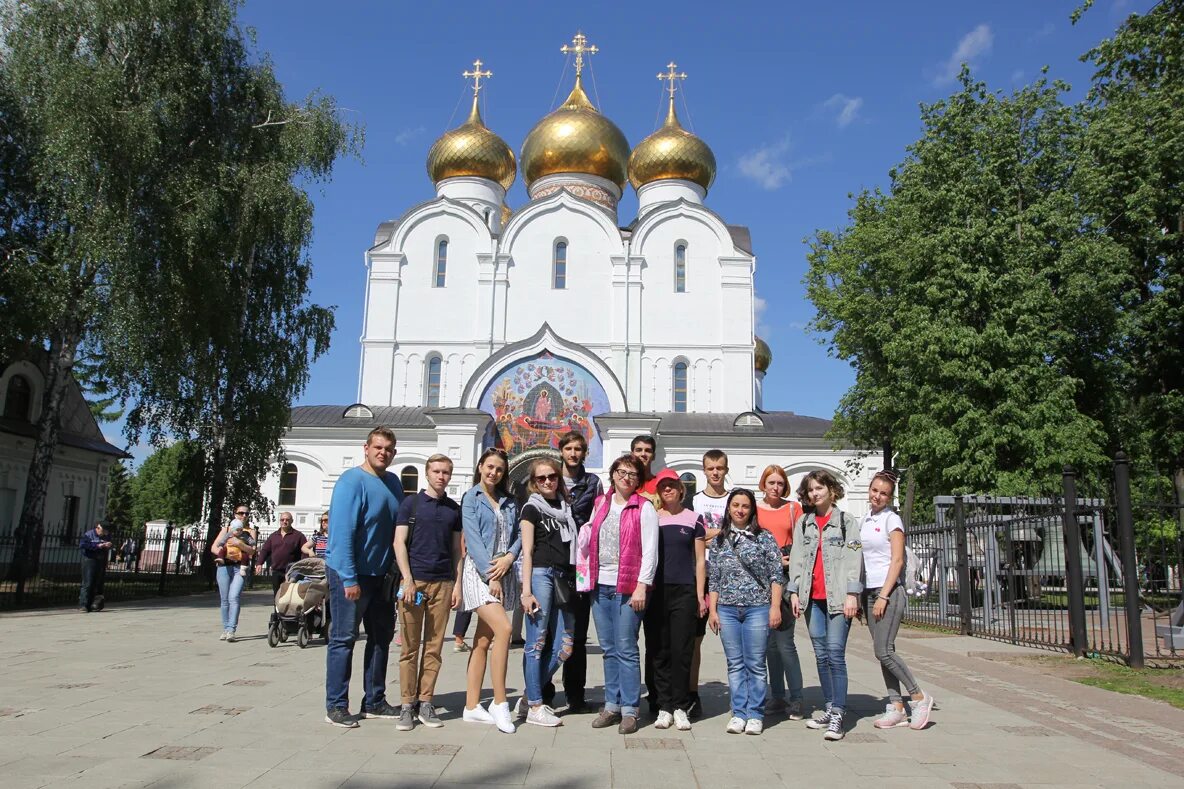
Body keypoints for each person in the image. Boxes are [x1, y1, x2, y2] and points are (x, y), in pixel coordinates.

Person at [323, 426, 405, 728]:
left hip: (382, 576)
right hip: (352, 573)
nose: (382, 453)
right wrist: (348, 578)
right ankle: (336, 705)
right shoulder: (350, 482)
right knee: (343, 638)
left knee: (381, 638)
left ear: (394, 453)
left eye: (388, 449)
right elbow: (342, 533)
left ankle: (374, 700)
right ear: (366, 448)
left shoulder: (394, 483)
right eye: (378, 447)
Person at [576, 454, 659, 735]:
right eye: (622, 472)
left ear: (638, 480)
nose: (626, 477)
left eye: (632, 474)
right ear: (612, 474)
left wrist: (641, 585)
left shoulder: (643, 508)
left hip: (628, 588)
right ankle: (612, 704)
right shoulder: (600, 504)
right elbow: (589, 537)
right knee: (609, 649)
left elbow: (650, 551)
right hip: (600, 586)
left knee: (626, 648)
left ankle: (630, 710)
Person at [786, 469, 863, 741]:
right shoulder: (804, 523)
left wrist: (853, 593)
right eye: (810, 490)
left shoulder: (846, 521)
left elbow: (854, 558)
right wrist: (793, 591)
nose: (815, 493)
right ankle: (830, 707)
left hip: (839, 598)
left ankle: (839, 714)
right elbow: (796, 558)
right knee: (820, 655)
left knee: (835, 653)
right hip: (811, 599)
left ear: (831, 489)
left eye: (819, 488)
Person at [393, 454, 463, 731]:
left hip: (442, 583)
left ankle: (425, 701)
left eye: (446, 472)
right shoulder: (410, 504)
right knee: (410, 648)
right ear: (427, 473)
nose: (441, 476)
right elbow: (399, 542)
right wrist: (407, 579)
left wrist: (456, 584)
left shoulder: (452, 509)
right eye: (436, 471)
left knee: (433, 648)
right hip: (415, 583)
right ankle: (407, 704)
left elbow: (458, 549)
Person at [861, 470, 935, 731]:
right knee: (881, 653)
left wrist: (883, 594)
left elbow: (898, 560)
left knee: (884, 650)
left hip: (888, 592)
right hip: (869, 593)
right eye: (874, 490)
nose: (877, 496)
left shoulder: (892, 521)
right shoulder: (866, 520)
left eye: (883, 493)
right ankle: (896, 706)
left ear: (890, 497)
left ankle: (918, 696)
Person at [708, 489, 783, 735]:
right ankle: (738, 712)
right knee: (735, 663)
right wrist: (713, 610)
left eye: (745, 506)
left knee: (756, 664)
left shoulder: (764, 538)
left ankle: (755, 714)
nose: (740, 510)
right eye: (736, 505)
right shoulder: (720, 540)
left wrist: (774, 607)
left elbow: (776, 575)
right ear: (729, 508)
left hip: (757, 608)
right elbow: (715, 578)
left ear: (752, 510)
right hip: (728, 608)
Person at [458, 447, 520, 734]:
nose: (493, 472)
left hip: (502, 570)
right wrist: (489, 575)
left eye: (499, 469)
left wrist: (509, 558)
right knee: (505, 630)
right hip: (479, 572)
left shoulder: (509, 501)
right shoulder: (471, 498)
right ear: (480, 466)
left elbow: (518, 535)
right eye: (489, 467)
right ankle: (499, 702)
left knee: (483, 639)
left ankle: (471, 706)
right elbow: (472, 538)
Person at [517, 456, 578, 727]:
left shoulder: (566, 508)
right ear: (534, 482)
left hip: (563, 577)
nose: (547, 482)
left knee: (565, 646)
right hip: (541, 575)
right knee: (537, 643)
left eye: (551, 476)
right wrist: (526, 591)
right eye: (541, 478)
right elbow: (527, 551)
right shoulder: (531, 509)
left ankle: (530, 695)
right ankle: (535, 705)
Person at [646, 471, 706, 731]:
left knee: (682, 650)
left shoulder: (694, 519)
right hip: (656, 591)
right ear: (658, 491)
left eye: (672, 486)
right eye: (663, 487)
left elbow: (700, 561)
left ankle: (681, 707)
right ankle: (663, 706)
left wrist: (700, 595)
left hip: (685, 591)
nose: (668, 490)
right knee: (659, 650)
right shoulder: (652, 518)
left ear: (681, 490)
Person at [557, 430, 603, 713]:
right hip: (553, 561)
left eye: (578, 449)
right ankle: (543, 693)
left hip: (581, 566)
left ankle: (575, 695)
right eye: (569, 448)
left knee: (578, 632)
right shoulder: (548, 478)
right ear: (561, 450)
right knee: (550, 631)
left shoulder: (592, 483)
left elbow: (596, 520)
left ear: (585, 453)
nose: (573, 454)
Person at [756, 465, 805, 719]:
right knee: (768, 645)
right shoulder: (754, 508)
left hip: (785, 582)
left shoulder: (792, 508)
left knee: (785, 643)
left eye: (779, 483)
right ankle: (777, 696)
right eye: (771, 482)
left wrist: (789, 559)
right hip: (759, 582)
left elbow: (802, 543)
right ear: (763, 483)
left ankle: (796, 697)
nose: (775, 487)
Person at [687, 448, 729, 718]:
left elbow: (737, 531)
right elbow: (692, 535)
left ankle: (744, 695)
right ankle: (692, 694)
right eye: (710, 468)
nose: (715, 472)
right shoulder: (694, 501)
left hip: (729, 575)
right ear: (704, 470)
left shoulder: (733, 500)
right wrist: (717, 533)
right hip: (701, 574)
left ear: (726, 470)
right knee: (695, 639)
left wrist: (708, 534)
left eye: (720, 468)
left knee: (735, 640)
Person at [212, 507, 257, 642]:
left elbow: (252, 551)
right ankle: (225, 629)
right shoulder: (226, 530)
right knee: (224, 599)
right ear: (235, 514)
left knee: (234, 597)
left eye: (246, 513)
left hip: (240, 567)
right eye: (240, 513)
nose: (243, 515)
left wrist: (239, 544)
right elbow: (214, 546)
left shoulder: (250, 532)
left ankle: (232, 630)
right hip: (224, 566)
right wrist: (225, 553)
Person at [256, 512, 307, 594]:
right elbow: (265, 550)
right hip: (276, 571)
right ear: (279, 521)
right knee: (277, 595)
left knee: (289, 596)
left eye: (287, 520)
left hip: (292, 572)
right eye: (282, 520)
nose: (284, 521)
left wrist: (302, 566)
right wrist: (259, 563)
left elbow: (305, 552)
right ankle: (276, 607)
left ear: (292, 521)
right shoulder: (273, 536)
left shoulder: (299, 536)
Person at [78, 521, 112, 613]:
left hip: (101, 560)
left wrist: (108, 545)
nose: (105, 534)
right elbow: (83, 545)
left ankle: (95, 604)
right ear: (99, 528)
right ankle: (84, 605)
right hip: (89, 560)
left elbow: (109, 543)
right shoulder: (89, 534)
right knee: (88, 582)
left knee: (98, 582)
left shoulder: (106, 536)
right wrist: (97, 546)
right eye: (104, 531)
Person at [631, 434, 661, 507]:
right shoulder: (622, 482)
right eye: (639, 450)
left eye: (648, 450)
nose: (643, 454)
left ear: (654, 456)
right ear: (632, 454)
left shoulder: (661, 484)